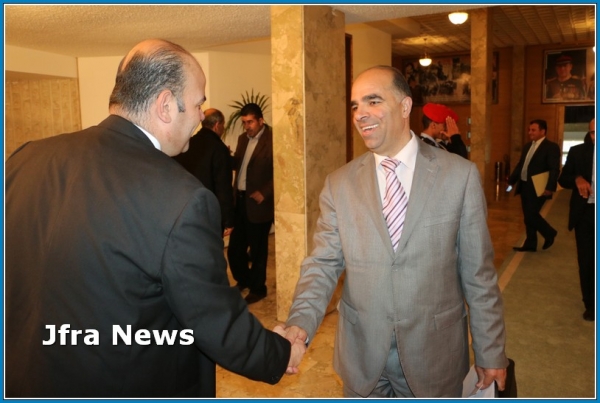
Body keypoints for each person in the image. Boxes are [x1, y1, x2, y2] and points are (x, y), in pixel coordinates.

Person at [5, 39, 305, 398]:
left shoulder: (25, 158)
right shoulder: (183, 198)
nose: (201, 117)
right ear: (165, 105)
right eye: (198, 104)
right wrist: (280, 353)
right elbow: (212, 320)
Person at [276, 65, 508, 397]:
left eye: (373, 101)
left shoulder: (460, 177)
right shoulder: (339, 184)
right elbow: (323, 263)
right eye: (355, 105)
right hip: (362, 356)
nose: (360, 114)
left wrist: (490, 350)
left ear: (404, 106)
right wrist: (299, 324)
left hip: (434, 356)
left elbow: (478, 274)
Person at [228, 103, 274, 304]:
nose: (247, 126)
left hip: (259, 204)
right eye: (244, 123)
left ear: (261, 121)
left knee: (258, 251)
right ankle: (244, 280)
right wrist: (226, 157)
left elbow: (283, 170)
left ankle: (258, 288)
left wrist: (265, 192)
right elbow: (239, 164)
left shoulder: (273, 140)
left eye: (250, 122)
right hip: (240, 201)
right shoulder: (242, 139)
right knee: (235, 249)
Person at [173, 108, 234, 236]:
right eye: (223, 125)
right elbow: (223, 188)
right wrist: (228, 219)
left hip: (186, 210)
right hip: (209, 213)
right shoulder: (219, 149)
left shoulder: (187, 143)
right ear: (217, 125)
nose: (223, 128)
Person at [558, 118, 595, 321]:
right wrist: (577, 178)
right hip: (585, 213)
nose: (595, 137)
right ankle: (590, 304)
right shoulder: (578, 152)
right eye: (592, 133)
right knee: (587, 260)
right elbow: (563, 179)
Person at [508, 119, 561, 252]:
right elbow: (521, 165)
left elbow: (554, 169)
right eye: (529, 130)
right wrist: (511, 181)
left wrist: (550, 187)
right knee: (528, 216)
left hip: (539, 187)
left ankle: (550, 233)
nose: (530, 132)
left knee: (531, 215)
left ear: (543, 131)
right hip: (525, 185)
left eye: (533, 130)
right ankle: (530, 244)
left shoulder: (551, 147)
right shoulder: (527, 146)